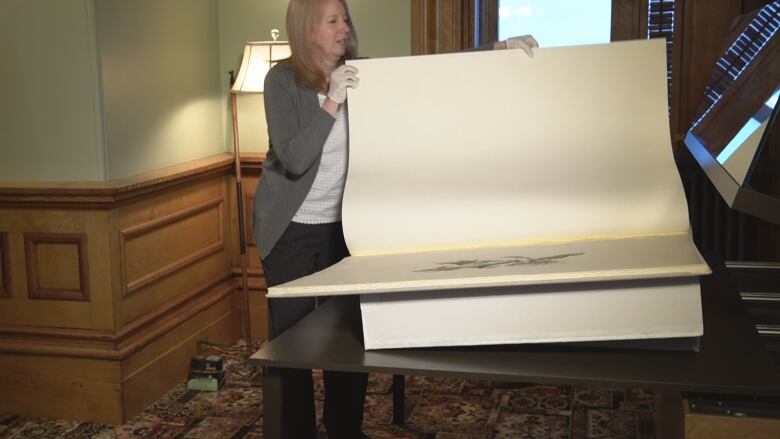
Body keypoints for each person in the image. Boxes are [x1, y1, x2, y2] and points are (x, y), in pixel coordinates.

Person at [252, 0, 538, 437]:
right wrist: (331, 101)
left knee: (346, 343)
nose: (344, 28)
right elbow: (294, 158)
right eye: (332, 21)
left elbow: (426, 73)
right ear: (306, 29)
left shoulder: (361, 72)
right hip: (289, 234)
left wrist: (497, 48)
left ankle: (344, 430)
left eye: (344, 18)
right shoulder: (281, 81)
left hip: (343, 231)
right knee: (292, 347)